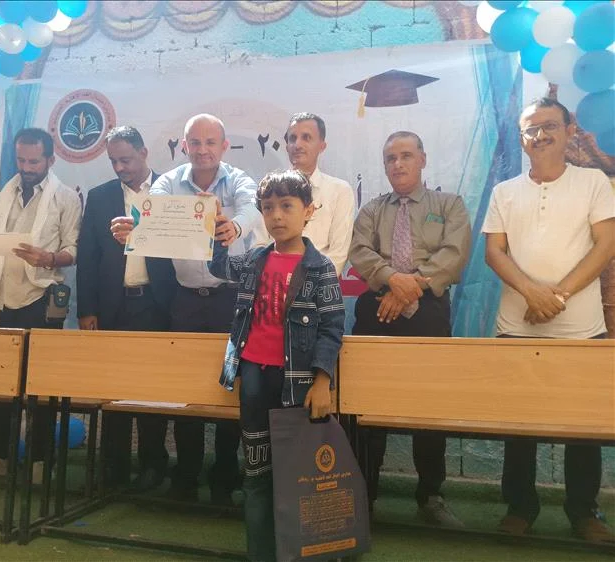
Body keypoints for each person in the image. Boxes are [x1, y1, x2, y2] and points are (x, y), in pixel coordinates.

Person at [482, 97, 615, 543]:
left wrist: (555, 296)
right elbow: (494, 252)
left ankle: (584, 511)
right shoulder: (504, 192)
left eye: (549, 126)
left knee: (583, 428)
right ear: (521, 138)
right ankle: (520, 507)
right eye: (531, 129)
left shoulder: (593, 182)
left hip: (581, 329)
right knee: (518, 426)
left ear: (570, 131)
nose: (539, 135)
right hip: (516, 327)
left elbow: (606, 244)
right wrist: (531, 292)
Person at [209, 169, 345, 561]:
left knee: (297, 478)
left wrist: (322, 381)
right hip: (254, 378)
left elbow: (333, 328)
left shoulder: (320, 269)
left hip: (297, 385)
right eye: (268, 208)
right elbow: (219, 268)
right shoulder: (255, 260)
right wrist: (217, 233)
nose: (277, 216)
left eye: (287, 206)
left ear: (309, 211)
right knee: (256, 475)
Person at [348, 130, 471, 527]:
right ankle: (363, 495)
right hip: (377, 308)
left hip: (430, 309)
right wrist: (391, 280)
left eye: (406, 155)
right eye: (390, 158)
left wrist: (409, 288)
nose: (397, 164)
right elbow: (359, 251)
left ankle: (430, 495)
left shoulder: (449, 205)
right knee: (366, 405)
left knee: (428, 406)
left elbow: (454, 254)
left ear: (423, 159)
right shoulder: (372, 210)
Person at [146, 113, 262, 504]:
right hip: (185, 301)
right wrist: (135, 227)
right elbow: (153, 214)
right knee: (186, 390)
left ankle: (225, 476)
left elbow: (253, 209)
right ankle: (186, 474)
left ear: (224, 146)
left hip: (230, 299)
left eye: (211, 142)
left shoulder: (240, 179)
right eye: (195, 142)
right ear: (184, 146)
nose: (202, 150)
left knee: (230, 388)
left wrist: (236, 227)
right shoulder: (167, 182)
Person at [0, 128, 81, 480]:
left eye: (34, 161)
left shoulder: (65, 198)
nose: (26, 167)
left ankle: (41, 461)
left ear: (50, 160)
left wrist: (49, 258)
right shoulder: (6, 192)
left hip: (40, 300)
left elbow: (74, 250)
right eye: (21, 160)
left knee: (39, 385)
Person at [77, 126, 176, 492]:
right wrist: (87, 309)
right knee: (113, 388)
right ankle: (113, 467)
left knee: (152, 390)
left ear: (144, 152)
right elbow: (87, 257)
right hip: (112, 306)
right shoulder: (99, 196)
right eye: (113, 161)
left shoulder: (170, 191)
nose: (120, 167)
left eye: (126, 159)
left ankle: (152, 464)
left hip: (156, 304)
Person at [285, 112, 355, 275]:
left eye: (306, 137)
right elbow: (259, 245)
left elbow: (338, 254)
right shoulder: (270, 190)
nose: (297, 145)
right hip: (275, 282)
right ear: (286, 146)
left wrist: (309, 283)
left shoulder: (340, 190)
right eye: (292, 138)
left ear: (322, 146)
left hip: (321, 284)